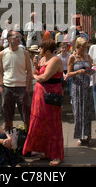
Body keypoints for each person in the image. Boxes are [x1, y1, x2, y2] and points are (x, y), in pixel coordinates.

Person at [23, 38, 64, 166]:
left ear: (46, 49)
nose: (39, 50)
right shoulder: (42, 59)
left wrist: (34, 75)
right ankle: (46, 151)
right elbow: (36, 72)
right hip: (40, 94)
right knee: (42, 122)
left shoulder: (55, 60)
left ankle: (57, 154)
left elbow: (43, 77)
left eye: (41, 48)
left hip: (51, 94)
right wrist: (35, 66)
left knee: (52, 124)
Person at [0, 29, 33, 132]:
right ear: (9, 39)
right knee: (7, 117)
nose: (19, 39)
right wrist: (1, 87)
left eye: (20, 37)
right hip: (7, 87)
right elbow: (0, 72)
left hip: (21, 88)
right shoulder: (2, 54)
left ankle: (27, 137)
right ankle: (10, 137)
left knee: (26, 116)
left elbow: (29, 72)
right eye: (16, 37)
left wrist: (27, 88)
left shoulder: (25, 53)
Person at [67, 36, 94, 146]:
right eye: (82, 48)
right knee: (78, 112)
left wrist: (92, 70)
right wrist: (78, 72)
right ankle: (80, 136)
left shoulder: (88, 56)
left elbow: (92, 68)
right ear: (77, 47)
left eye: (85, 48)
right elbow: (68, 74)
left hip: (87, 87)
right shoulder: (72, 58)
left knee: (87, 111)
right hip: (77, 87)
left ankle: (88, 136)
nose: (84, 50)